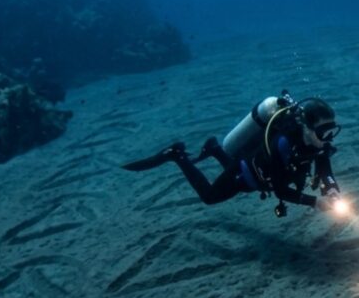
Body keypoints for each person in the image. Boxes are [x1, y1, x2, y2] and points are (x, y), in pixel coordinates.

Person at [123, 90, 344, 217]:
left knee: (245, 181)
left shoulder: (319, 143)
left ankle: (214, 149)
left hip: (259, 176)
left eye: (332, 130)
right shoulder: (283, 144)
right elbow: (280, 190)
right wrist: (314, 202)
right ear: (306, 127)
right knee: (209, 197)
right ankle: (177, 154)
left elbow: (325, 171)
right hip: (244, 174)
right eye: (324, 132)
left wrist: (333, 190)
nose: (328, 138)